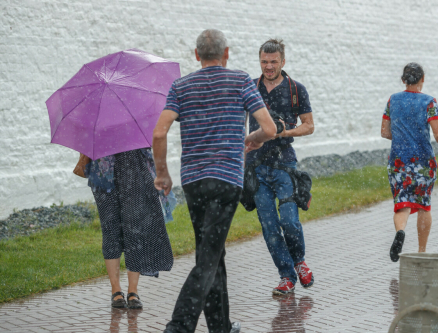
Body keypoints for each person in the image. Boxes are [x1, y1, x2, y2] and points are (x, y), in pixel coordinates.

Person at [153, 29, 276, 333]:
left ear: (196, 55)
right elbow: (270, 128)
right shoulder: (240, 81)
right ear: (227, 53)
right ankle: (179, 326)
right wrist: (254, 138)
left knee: (211, 251)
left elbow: (158, 132)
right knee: (208, 257)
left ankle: (220, 326)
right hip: (226, 182)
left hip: (194, 182)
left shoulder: (180, 87)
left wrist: (162, 173)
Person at [246, 39, 315, 295]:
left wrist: (285, 131)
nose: (269, 66)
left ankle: (299, 261)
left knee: (289, 221)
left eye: (274, 62)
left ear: (283, 61)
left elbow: (309, 125)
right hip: (256, 167)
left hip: (285, 164)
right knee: (269, 226)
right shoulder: (250, 88)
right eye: (264, 61)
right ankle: (286, 275)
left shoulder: (297, 89)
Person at [381, 63, 438, 262]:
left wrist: (403, 138)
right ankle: (421, 251)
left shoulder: (393, 100)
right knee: (424, 205)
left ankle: (400, 231)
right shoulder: (428, 102)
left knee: (402, 204)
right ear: (422, 78)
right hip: (423, 161)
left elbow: (384, 131)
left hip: (398, 161)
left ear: (403, 80)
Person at [86, 148, 176, 309]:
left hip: (135, 168)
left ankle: (133, 292)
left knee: (135, 230)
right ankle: (116, 291)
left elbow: (151, 136)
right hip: (104, 172)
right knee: (110, 230)